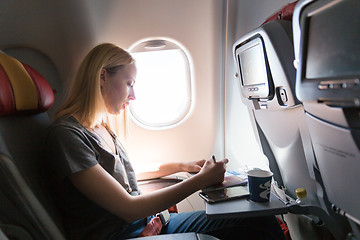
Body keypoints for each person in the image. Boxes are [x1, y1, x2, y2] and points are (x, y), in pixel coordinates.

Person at [46, 43, 286, 240]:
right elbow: (128, 208)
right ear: (102, 76)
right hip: (125, 234)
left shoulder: (100, 127)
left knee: (257, 218)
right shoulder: (68, 136)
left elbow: (119, 174)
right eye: (129, 83)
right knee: (257, 226)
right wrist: (201, 181)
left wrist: (182, 166)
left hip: (149, 224)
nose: (133, 95)